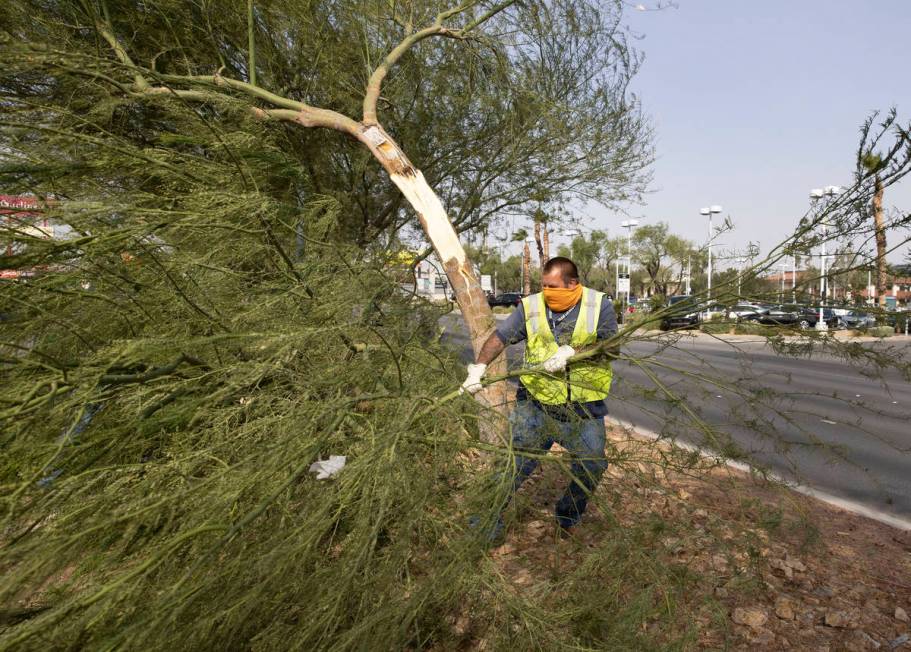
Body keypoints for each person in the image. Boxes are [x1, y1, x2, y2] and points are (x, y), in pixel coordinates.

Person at [462, 256, 618, 538]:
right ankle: (483, 527)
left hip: (582, 412)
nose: (547, 292)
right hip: (535, 406)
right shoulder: (532, 307)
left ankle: (567, 517)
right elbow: (501, 336)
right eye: (543, 285)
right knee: (511, 468)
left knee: (591, 466)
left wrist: (574, 352)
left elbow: (611, 346)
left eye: (553, 286)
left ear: (573, 284)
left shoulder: (599, 305)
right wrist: (479, 368)